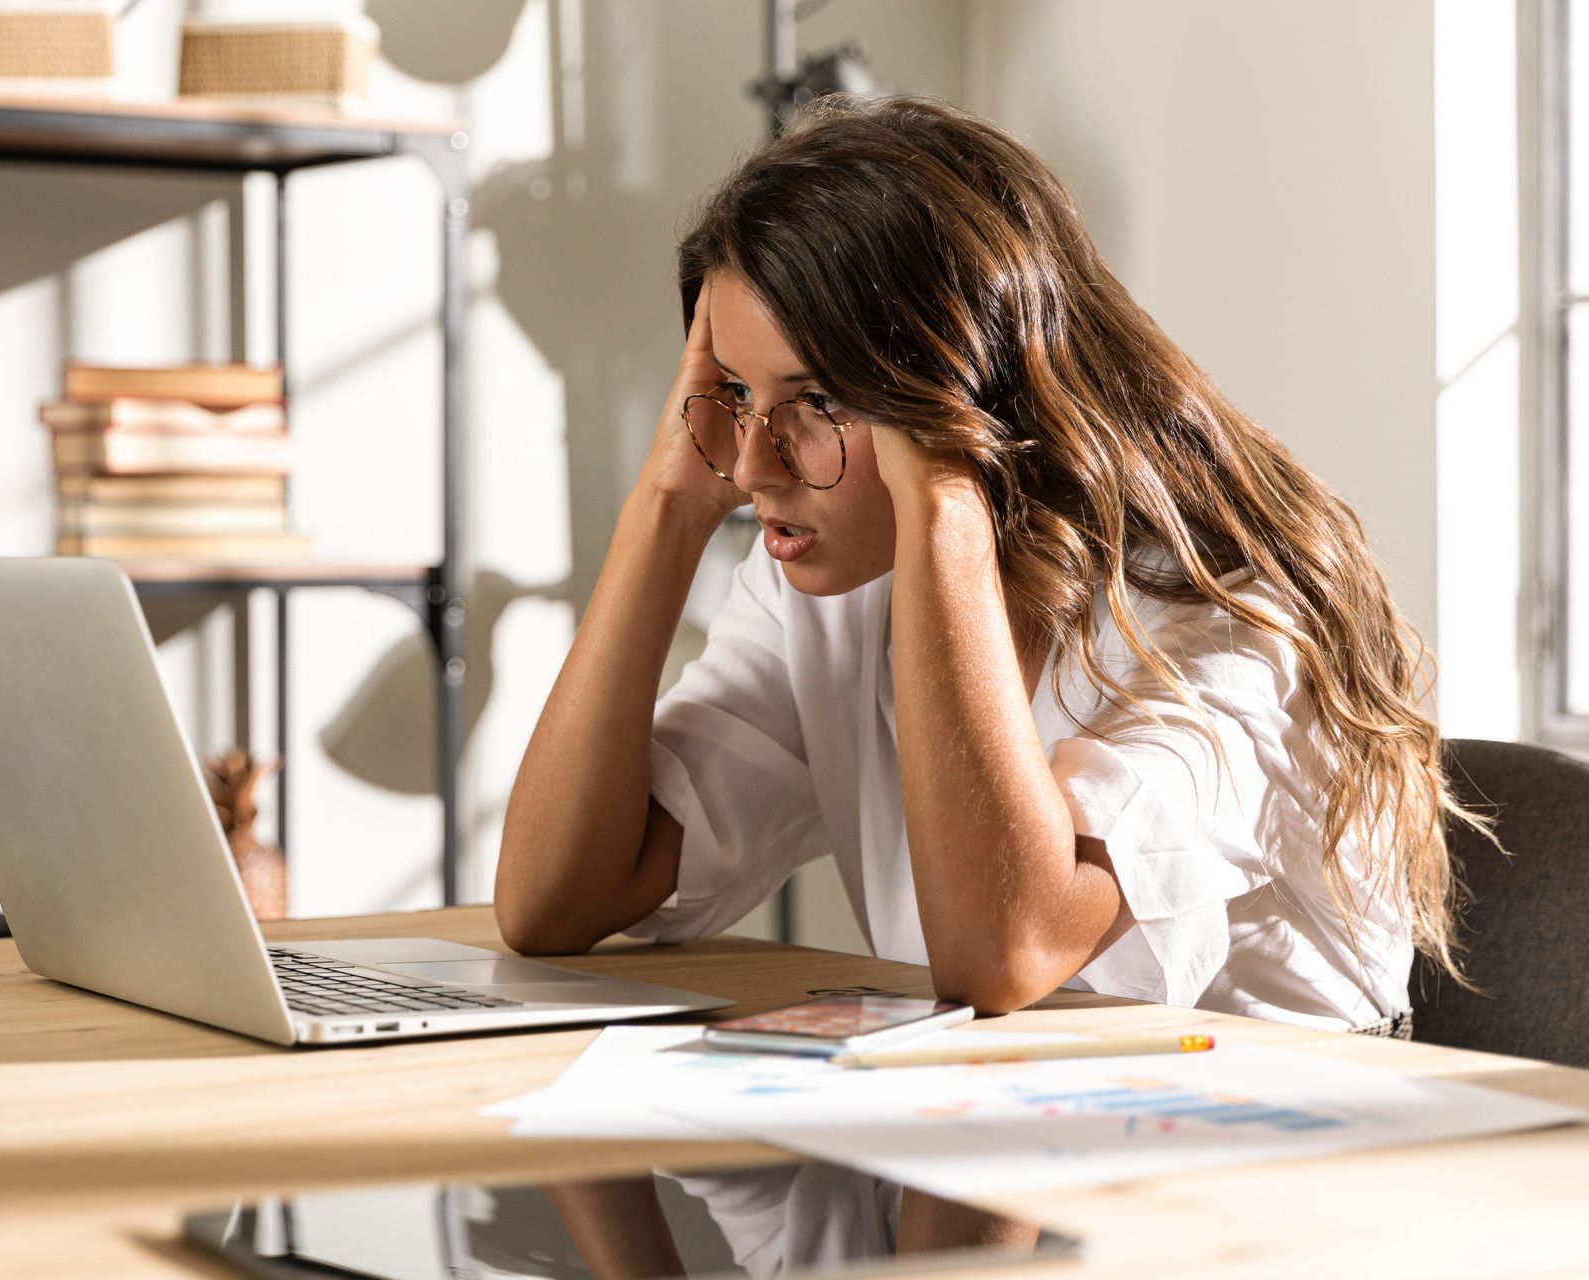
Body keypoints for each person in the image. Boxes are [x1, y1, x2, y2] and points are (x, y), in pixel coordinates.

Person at [494, 92, 1490, 1037]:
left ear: (966, 398)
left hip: (1275, 1174)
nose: (753, 462)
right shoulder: (831, 586)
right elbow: (552, 898)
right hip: (1019, 1144)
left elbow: (1008, 949)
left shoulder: (1231, 616)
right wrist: (667, 506)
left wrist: (940, 497)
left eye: (822, 401)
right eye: (738, 397)